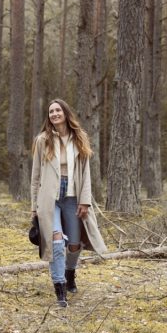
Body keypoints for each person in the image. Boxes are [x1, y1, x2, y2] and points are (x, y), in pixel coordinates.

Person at [30, 98, 108, 308]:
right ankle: (60, 287)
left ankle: (70, 273)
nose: (54, 114)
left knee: (74, 244)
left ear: (65, 113)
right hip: (50, 200)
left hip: (73, 197)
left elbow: (86, 174)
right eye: (51, 111)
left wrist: (85, 201)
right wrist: (34, 207)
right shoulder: (42, 140)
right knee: (55, 242)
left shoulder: (79, 138)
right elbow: (35, 176)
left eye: (57, 110)